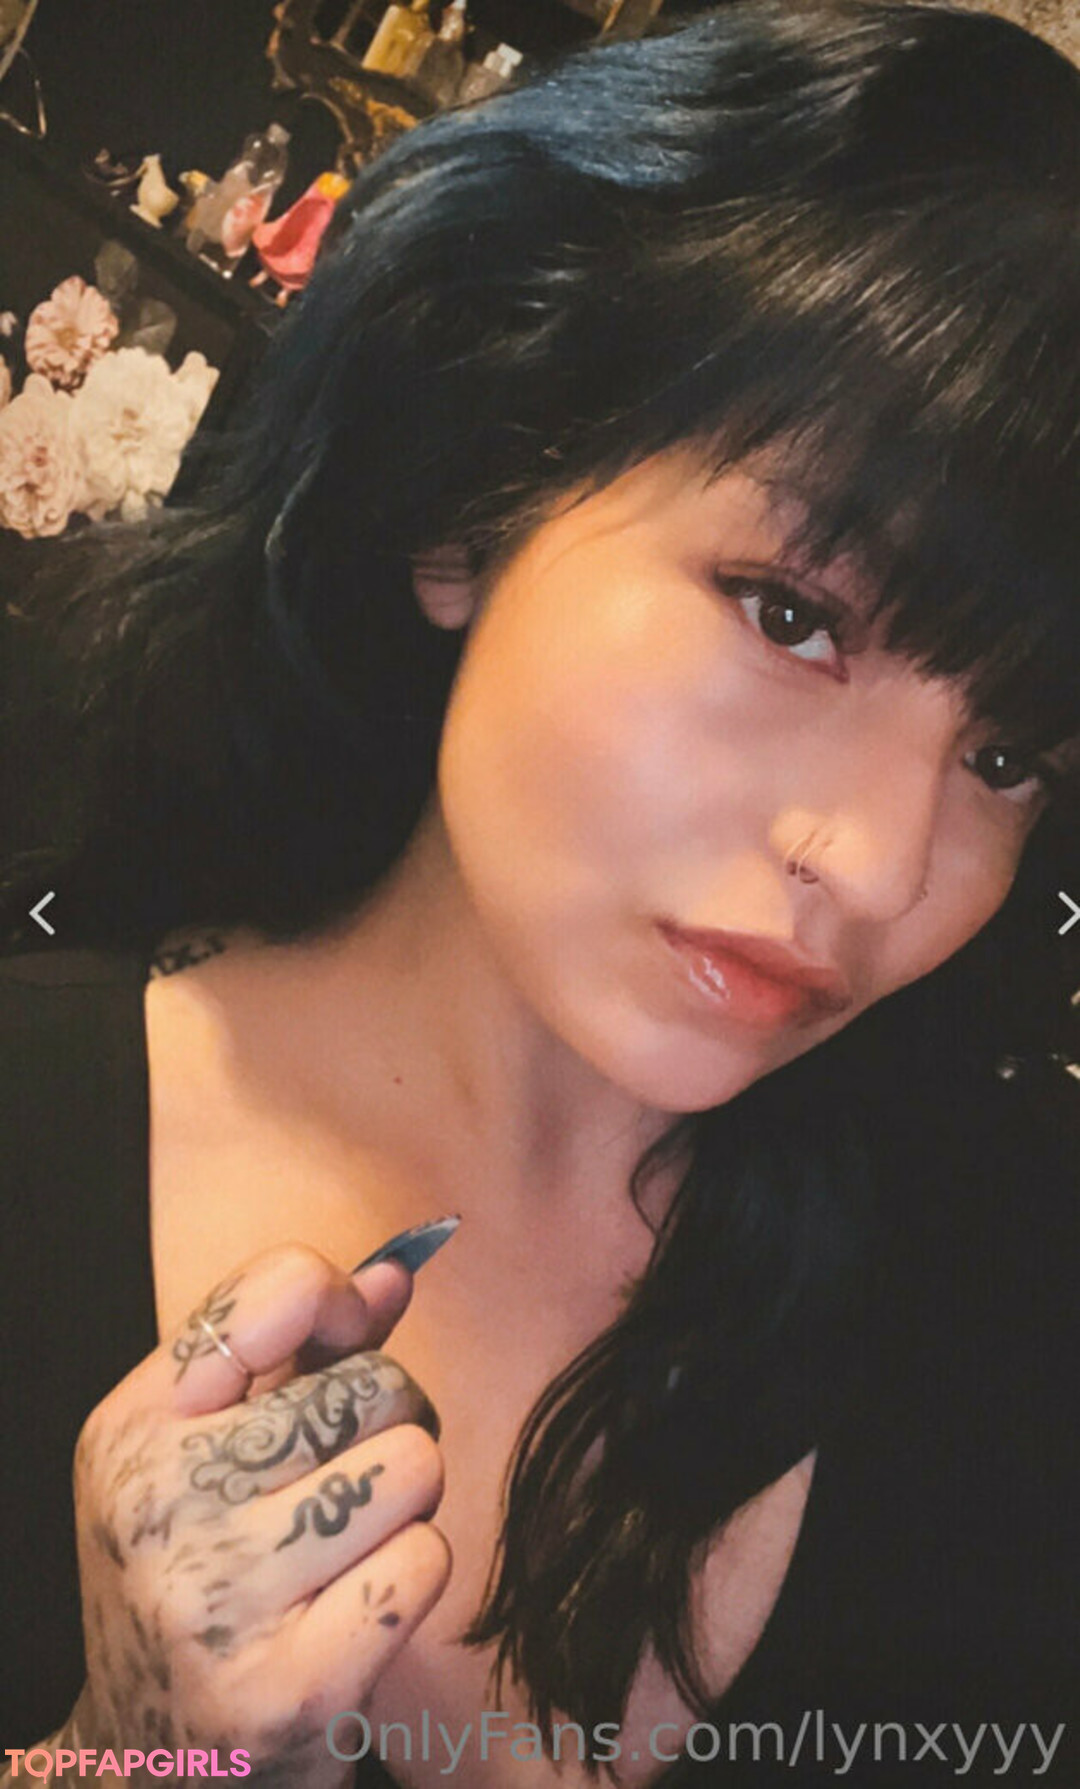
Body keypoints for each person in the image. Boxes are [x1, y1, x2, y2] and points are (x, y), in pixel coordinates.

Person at [1, 2, 1079, 1783]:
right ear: (468, 500)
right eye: (793, 615)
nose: (887, 863)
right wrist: (120, 1755)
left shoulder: (1008, 1312)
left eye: (1014, 752)